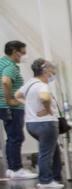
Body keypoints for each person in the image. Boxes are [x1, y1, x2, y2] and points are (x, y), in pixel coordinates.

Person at [19, 59, 64, 189]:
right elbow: (44, 98)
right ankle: (45, 181)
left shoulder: (30, 83)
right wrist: (48, 110)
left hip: (31, 124)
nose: (53, 73)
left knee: (54, 150)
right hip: (46, 124)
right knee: (46, 153)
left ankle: (55, 176)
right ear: (45, 70)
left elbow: (17, 95)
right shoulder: (42, 85)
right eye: (51, 70)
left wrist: (29, 105)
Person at [2, 40, 36, 180]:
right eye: (23, 53)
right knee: (16, 137)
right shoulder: (10, 66)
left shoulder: (2, 62)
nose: (24, 56)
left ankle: (11, 168)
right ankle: (16, 169)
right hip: (12, 107)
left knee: (11, 137)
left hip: (4, 106)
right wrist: (10, 99)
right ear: (15, 52)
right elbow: (5, 81)